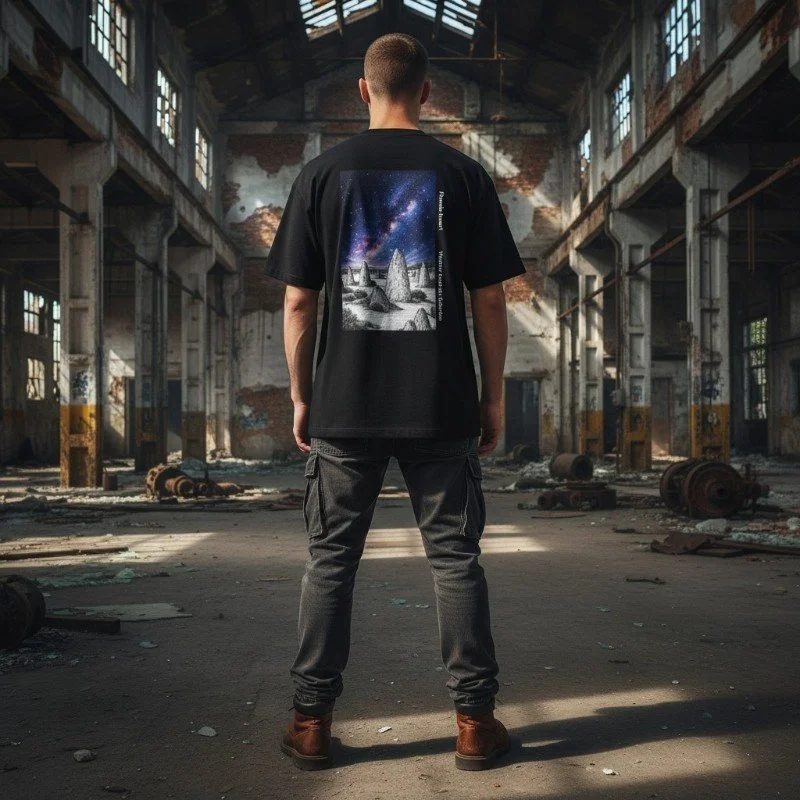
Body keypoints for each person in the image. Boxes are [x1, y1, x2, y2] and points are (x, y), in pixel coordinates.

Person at [265, 32, 525, 772]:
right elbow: (491, 300)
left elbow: (296, 306)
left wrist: (302, 395)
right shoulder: (465, 176)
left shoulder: (321, 174)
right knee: (455, 562)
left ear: (362, 89)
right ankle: (475, 724)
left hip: (344, 407)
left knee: (330, 562)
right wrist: (492, 397)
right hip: (442, 405)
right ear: (429, 92)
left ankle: (310, 723)